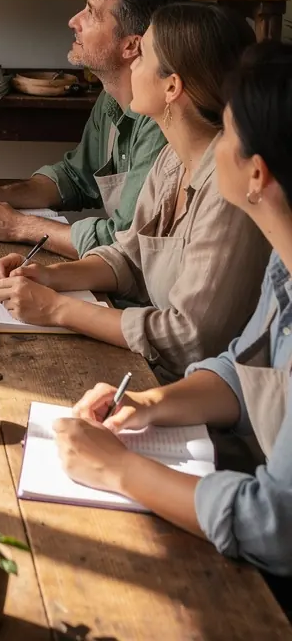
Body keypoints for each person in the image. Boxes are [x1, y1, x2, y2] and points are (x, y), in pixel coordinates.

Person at [55, 42, 292, 586]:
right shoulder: (283, 266)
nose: (215, 147)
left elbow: (275, 523)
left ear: (257, 175)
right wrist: (148, 403)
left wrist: (119, 469)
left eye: (228, 134)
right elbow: (238, 369)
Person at [0, 3, 270, 382]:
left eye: (142, 56)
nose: (132, 63)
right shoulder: (173, 160)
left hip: (197, 398)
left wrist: (57, 309)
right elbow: (129, 256)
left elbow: (190, 337)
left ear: (172, 87)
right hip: (148, 368)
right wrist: (49, 277)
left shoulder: (229, 190)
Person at [0, 0, 190, 257]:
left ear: (132, 45)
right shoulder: (111, 99)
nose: (74, 21)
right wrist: (1, 193)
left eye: (92, 13)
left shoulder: (161, 123)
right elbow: (75, 177)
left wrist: (19, 226)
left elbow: (124, 242)